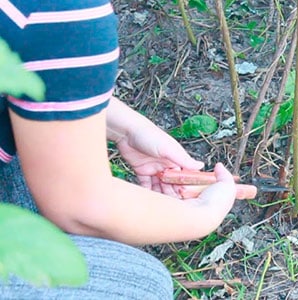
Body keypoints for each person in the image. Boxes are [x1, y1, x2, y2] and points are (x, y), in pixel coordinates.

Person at [0, 1, 237, 299]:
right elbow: (80, 210)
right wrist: (201, 214)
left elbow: (32, 55)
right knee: (137, 285)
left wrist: (127, 129)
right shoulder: (65, 10)